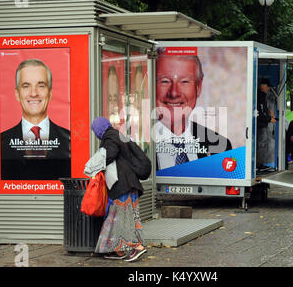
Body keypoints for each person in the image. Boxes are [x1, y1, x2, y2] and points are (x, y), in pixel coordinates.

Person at [155, 47, 232, 170]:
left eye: (184, 81)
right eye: (164, 81)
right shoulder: (136, 145)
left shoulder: (220, 146)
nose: (174, 93)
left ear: (198, 87)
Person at [0, 59, 71, 180]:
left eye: (41, 86)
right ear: (17, 94)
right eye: (26, 86)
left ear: (50, 93)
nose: (33, 93)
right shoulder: (1, 142)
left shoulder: (70, 139)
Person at [92, 117, 147, 262]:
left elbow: (110, 152)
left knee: (124, 219)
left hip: (123, 186)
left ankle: (137, 247)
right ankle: (116, 249)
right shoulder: (118, 135)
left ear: (99, 129)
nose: (95, 133)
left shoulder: (110, 137)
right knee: (116, 218)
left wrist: (94, 164)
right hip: (128, 184)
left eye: (95, 130)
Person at [256, 78, 277, 171]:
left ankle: (259, 164)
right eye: (267, 87)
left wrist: (268, 112)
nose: (268, 89)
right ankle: (258, 165)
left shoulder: (262, 96)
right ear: (263, 85)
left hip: (262, 124)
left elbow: (262, 110)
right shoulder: (259, 96)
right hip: (260, 125)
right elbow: (259, 113)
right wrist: (269, 119)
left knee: (262, 144)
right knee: (261, 144)